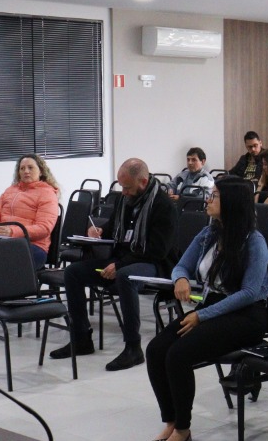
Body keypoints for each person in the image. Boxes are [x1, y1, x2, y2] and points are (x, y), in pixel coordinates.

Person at [145, 179, 268, 441]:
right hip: (213, 308)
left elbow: (249, 292)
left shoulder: (254, 241)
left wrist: (202, 315)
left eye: (214, 196)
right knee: (155, 349)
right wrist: (180, 279)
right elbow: (181, 265)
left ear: (231, 203)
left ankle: (183, 429)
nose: (208, 200)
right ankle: (171, 422)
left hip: (246, 316)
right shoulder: (209, 234)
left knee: (178, 355)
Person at [50, 158, 178, 371]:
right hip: (122, 259)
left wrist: (120, 265)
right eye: (121, 187)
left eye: (127, 187)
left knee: (126, 276)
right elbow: (113, 229)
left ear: (143, 182)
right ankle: (81, 338)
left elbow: (157, 250)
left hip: (155, 264)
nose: (123, 192)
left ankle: (133, 348)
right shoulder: (123, 200)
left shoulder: (164, 206)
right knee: (73, 272)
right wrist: (99, 231)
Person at [0, 154, 59, 340]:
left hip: (31, 248)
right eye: (22, 168)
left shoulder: (47, 193)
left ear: (41, 171)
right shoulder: (10, 190)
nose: (25, 171)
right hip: (3, 244)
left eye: (30, 168)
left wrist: (13, 231)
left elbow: (44, 228)